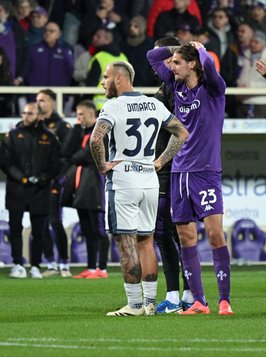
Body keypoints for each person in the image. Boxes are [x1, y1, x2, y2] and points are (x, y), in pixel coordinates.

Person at [89, 60, 189, 316]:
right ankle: (150, 304)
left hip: (123, 180)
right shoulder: (154, 103)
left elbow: (96, 138)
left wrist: (102, 166)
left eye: (106, 77)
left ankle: (134, 305)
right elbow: (182, 133)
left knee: (126, 244)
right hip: (149, 179)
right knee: (146, 242)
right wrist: (161, 161)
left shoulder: (112, 105)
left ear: (119, 79)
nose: (103, 82)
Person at [147, 41, 233, 315]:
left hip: (206, 172)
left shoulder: (214, 90)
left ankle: (224, 300)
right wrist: (179, 48)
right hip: (178, 172)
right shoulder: (176, 86)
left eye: (177, 62)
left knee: (215, 234)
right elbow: (152, 56)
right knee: (185, 237)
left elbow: (209, 65)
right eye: (171, 63)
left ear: (192, 64)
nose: (171, 67)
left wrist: (200, 49)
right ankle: (198, 301)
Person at [151, 36, 193, 313]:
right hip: (167, 168)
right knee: (167, 233)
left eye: (161, 58)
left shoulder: (175, 87)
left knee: (170, 233)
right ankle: (182, 294)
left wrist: (162, 161)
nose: (156, 64)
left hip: (173, 168)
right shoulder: (166, 87)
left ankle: (185, 294)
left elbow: (178, 131)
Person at [0, 102, 61, 279]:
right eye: (24, 113)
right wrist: (23, 178)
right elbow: (5, 162)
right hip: (17, 190)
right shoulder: (12, 136)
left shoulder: (49, 138)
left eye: (30, 114)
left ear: (40, 116)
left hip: (40, 190)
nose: (26, 117)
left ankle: (35, 266)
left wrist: (43, 179)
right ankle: (18, 264)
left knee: (39, 231)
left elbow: (55, 164)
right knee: (15, 229)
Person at [62, 100, 110, 279]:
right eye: (77, 114)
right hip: (80, 188)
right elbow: (65, 153)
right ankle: (91, 268)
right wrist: (75, 130)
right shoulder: (80, 132)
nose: (78, 118)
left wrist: (74, 158)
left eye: (81, 114)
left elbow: (86, 155)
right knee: (87, 230)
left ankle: (102, 269)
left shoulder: (100, 133)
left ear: (91, 114)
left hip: (95, 186)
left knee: (98, 230)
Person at [36, 89, 72, 277]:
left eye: (42, 100)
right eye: (37, 100)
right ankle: (50, 263)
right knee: (40, 224)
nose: (38, 103)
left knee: (54, 221)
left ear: (51, 102)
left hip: (55, 182)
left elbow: (67, 157)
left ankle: (64, 264)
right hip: (39, 183)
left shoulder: (63, 127)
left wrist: (60, 178)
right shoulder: (36, 126)